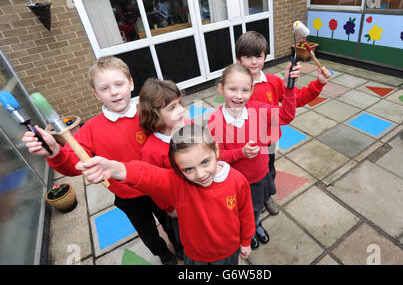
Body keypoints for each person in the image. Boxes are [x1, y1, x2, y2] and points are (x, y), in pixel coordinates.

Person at [21, 56, 179, 265]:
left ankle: (180, 248)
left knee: (171, 223)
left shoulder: (148, 113)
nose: (114, 92)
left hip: (159, 185)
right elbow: (72, 163)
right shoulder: (91, 130)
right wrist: (54, 152)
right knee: (148, 232)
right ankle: (164, 255)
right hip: (127, 195)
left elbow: (173, 136)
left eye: (119, 84)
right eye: (105, 88)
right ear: (96, 94)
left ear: (131, 84)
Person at [75, 124, 256, 265]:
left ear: (216, 150)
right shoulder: (180, 184)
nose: (200, 174)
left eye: (205, 162)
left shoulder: (236, 180)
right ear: (178, 169)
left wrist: (246, 240)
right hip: (194, 254)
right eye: (189, 169)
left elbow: (245, 212)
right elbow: (150, 175)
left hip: (228, 251)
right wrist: (117, 169)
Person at [234, 31, 332, 215]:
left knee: (268, 170)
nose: (254, 61)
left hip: (268, 140)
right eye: (248, 56)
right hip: (243, 142)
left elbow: (297, 99)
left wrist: (316, 84)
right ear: (239, 59)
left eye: (258, 56)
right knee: (246, 175)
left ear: (265, 57)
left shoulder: (273, 82)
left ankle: (266, 196)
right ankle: (251, 201)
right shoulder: (235, 85)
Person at [207, 63, 297, 250]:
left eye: (245, 90)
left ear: (252, 90)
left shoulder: (258, 109)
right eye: (233, 89)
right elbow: (217, 157)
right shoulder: (216, 121)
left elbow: (286, 115)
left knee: (255, 208)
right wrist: (241, 153)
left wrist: (289, 86)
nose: (239, 96)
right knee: (242, 211)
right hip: (238, 182)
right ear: (221, 88)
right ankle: (246, 232)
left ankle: (254, 225)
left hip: (261, 175)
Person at [138, 78, 189, 260]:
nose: (181, 110)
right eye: (172, 108)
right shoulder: (151, 150)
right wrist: (168, 208)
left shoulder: (188, 127)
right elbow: (154, 185)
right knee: (186, 236)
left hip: (198, 195)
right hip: (177, 206)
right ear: (154, 114)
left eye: (180, 103)